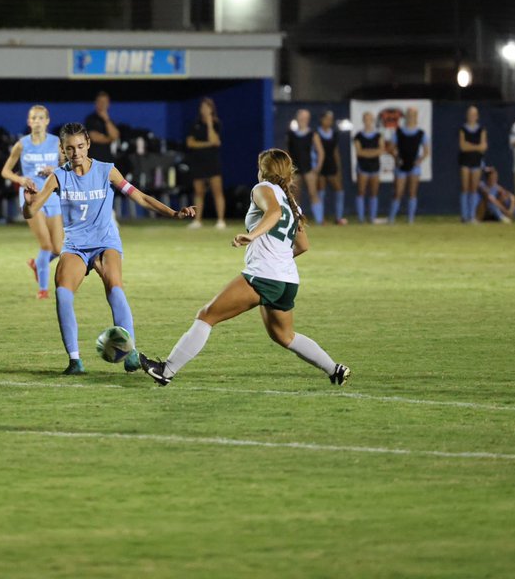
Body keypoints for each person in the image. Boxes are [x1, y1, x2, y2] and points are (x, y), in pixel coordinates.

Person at [139, 148, 349, 387]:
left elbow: (273, 212)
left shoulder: (264, 189)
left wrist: (253, 236)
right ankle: (335, 369)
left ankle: (167, 369)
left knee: (207, 315)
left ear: (265, 171)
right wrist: (278, 257)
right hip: (287, 281)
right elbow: (303, 245)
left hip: (264, 276)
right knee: (284, 336)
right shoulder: (292, 203)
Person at [23, 122, 196, 375]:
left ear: (88, 145)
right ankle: (74, 361)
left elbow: (139, 196)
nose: (76, 153)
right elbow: (31, 211)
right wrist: (28, 203)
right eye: (70, 148)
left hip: (105, 242)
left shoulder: (106, 171)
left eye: (81, 146)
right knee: (62, 293)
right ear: (62, 149)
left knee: (114, 285)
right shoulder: (59, 177)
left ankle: (131, 354)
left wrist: (173, 213)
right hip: (75, 246)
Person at [0, 105, 62, 299]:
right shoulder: (22, 144)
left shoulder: (56, 142)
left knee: (58, 249)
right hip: (31, 197)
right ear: (29, 122)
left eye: (40, 118)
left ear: (47, 121)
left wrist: (55, 170)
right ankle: (43, 290)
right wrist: (21, 180)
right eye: (33, 118)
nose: (37, 121)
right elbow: (5, 171)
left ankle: (37, 264)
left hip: (51, 195)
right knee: (46, 246)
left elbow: (66, 166)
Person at [185, 97, 226, 230]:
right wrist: (208, 144)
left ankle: (220, 220)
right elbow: (190, 143)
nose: (204, 110)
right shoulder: (195, 124)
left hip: (212, 162)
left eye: (207, 107)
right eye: (202, 107)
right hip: (198, 162)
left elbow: (215, 139)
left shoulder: (216, 124)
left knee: (217, 191)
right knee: (198, 192)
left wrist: (209, 124)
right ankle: (197, 220)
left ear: (211, 109)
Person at [387, 107, 428, 224]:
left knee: (412, 193)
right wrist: (396, 157)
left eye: (413, 114)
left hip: (414, 167)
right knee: (398, 192)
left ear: (416, 117)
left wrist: (419, 160)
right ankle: (391, 219)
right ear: (406, 117)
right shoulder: (398, 132)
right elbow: (390, 148)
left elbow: (426, 151)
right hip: (401, 166)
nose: (411, 117)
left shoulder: (421, 133)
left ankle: (410, 219)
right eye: (409, 114)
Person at [284, 109, 323, 223]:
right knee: (295, 196)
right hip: (295, 168)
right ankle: (296, 221)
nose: (303, 119)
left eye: (306, 117)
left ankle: (319, 219)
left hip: (309, 168)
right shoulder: (291, 134)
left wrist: (318, 166)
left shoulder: (312, 134)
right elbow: (287, 152)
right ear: (297, 118)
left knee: (313, 193)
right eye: (302, 117)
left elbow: (320, 151)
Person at [352, 111, 384, 224]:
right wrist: (373, 152)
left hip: (375, 167)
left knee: (374, 192)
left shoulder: (378, 135)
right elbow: (359, 152)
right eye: (366, 119)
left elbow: (381, 150)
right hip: (363, 167)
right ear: (363, 120)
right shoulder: (358, 136)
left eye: (370, 119)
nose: (368, 121)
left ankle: (372, 217)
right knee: (361, 191)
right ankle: (361, 218)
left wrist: (367, 152)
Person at [315, 109, 346, 225]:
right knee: (321, 192)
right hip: (321, 165)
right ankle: (321, 219)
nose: (329, 121)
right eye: (327, 119)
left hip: (331, 165)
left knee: (339, 191)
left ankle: (339, 217)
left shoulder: (334, 134)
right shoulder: (316, 134)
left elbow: (335, 152)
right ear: (321, 120)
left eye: (331, 120)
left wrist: (338, 167)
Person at [458, 105, 487, 223]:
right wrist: (476, 146)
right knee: (465, 188)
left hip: (477, 161)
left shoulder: (482, 129)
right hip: (465, 161)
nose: (472, 116)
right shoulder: (462, 129)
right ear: (467, 116)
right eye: (470, 114)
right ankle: (464, 216)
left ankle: (472, 215)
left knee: (474, 189)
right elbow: (462, 147)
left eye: (474, 114)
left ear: (477, 116)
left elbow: (483, 147)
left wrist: (470, 146)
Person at [84, 91, 120, 163]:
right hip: (93, 160)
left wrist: (106, 119)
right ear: (96, 103)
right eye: (100, 101)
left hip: (108, 160)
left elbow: (115, 136)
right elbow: (95, 138)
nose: (103, 104)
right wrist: (110, 138)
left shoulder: (110, 121)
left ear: (108, 104)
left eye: (105, 102)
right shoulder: (90, 119)